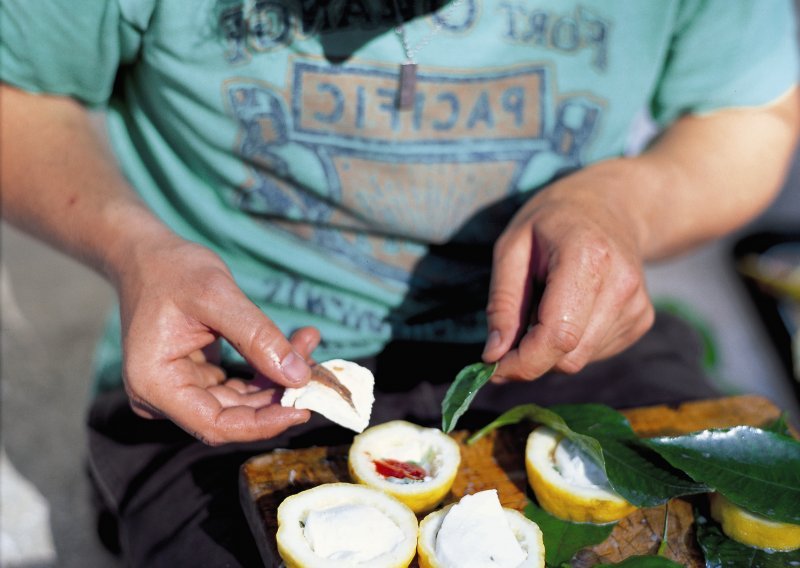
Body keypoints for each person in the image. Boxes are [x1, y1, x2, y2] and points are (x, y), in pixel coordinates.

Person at [2, 0, 798, 565]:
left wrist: (624, 206)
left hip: (567, 350)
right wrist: (132, 246)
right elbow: (17, 89)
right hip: (234, 372)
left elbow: (754, 114)